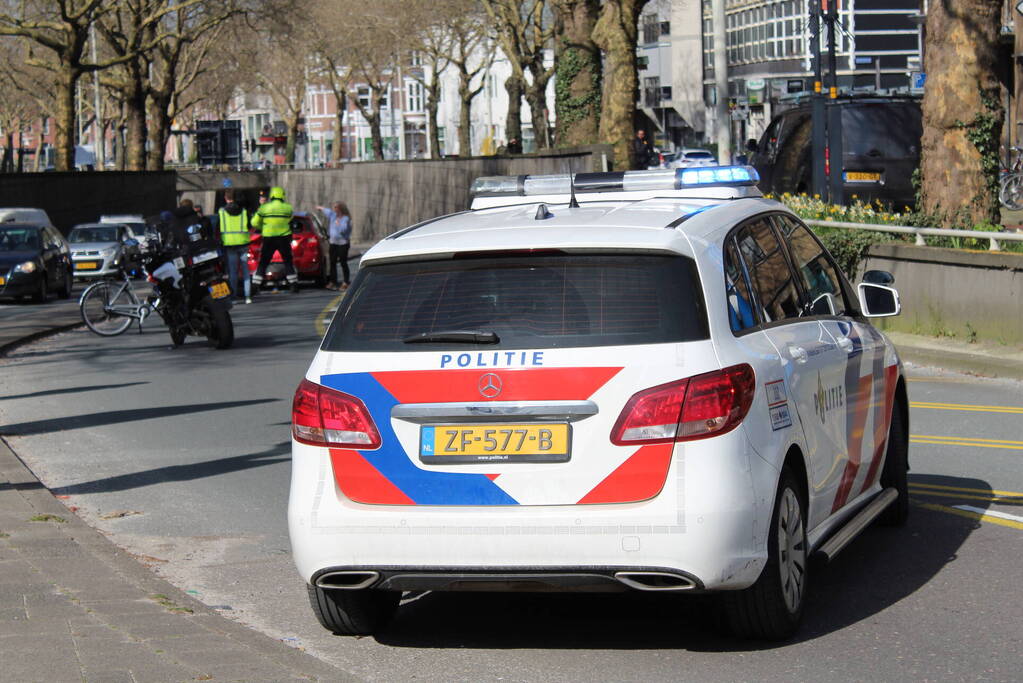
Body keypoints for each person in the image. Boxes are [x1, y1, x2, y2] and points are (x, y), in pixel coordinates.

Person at [251, 185, 298, 293]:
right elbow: (290, 221)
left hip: (269, 238)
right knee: (288, 262)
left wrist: (262, 227)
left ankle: (255, 286)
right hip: (284, 238)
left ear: (271, 195)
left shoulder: (264, 208)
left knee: (263, 262)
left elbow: (254, 223)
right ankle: (293, 285)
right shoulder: (288, 208)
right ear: (282, 195)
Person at [218, 190, 252, 304]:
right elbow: (249, 226)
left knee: (233, 272)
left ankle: (233, 297)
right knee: (246, 271)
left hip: (229, 244)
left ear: (225, 198)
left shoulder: (222, 212)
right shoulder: (243, 211)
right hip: (243, 243)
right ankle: (248, 297)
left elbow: (218, 228)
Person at [316, 201, 352, 290]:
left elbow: (343, 230)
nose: (334, 209)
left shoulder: (346, 219)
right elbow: (327, 211)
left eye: (336, 207)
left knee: (343, 262)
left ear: (341, 209)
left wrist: (338, 224)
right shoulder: (333, 216)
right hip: (333, 243)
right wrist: (321, 208)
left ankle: (346, 282)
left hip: (343, 243)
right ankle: (333, 282)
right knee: (332, 262)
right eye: (334, 207)